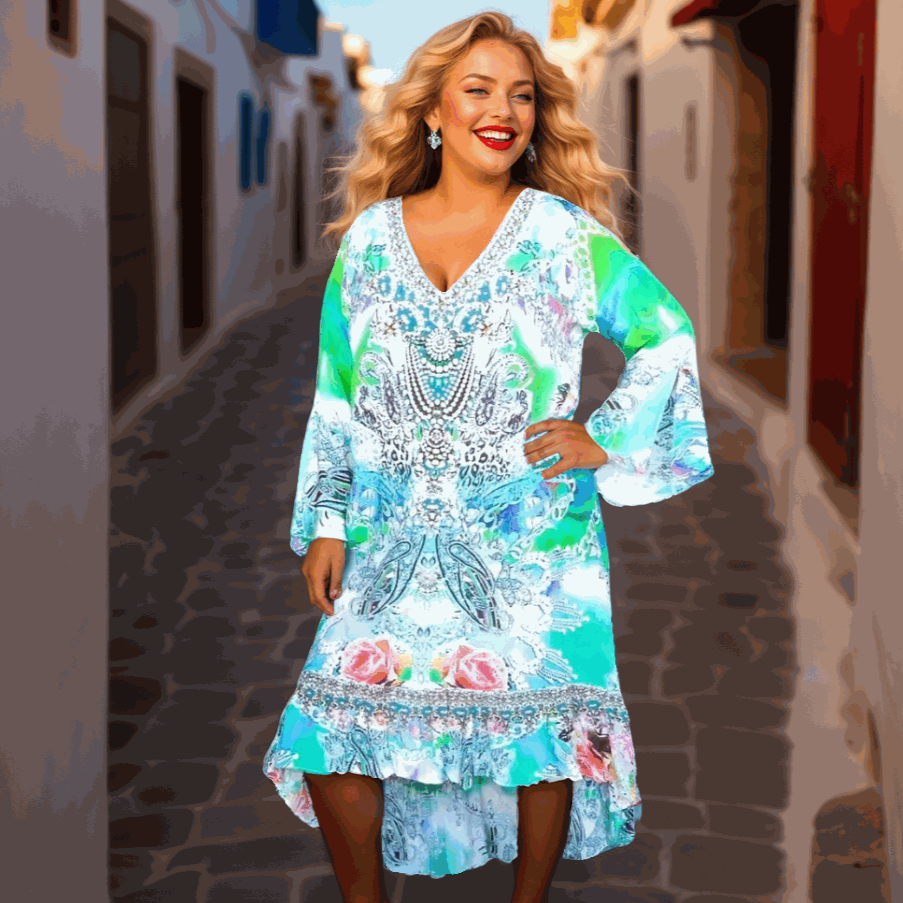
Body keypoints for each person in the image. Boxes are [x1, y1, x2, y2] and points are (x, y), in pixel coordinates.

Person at [262, 11, 715, 903]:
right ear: (434, 110)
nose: (501, 111)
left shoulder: (563, 237)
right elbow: (336, 395)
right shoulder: (369, 242)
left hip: (531, 538)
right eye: (477, 90)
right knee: (330, 731)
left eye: (521, 95)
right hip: (392, 534)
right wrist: (327, 521)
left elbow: (665, 335)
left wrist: (603, 436)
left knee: (538, 731)